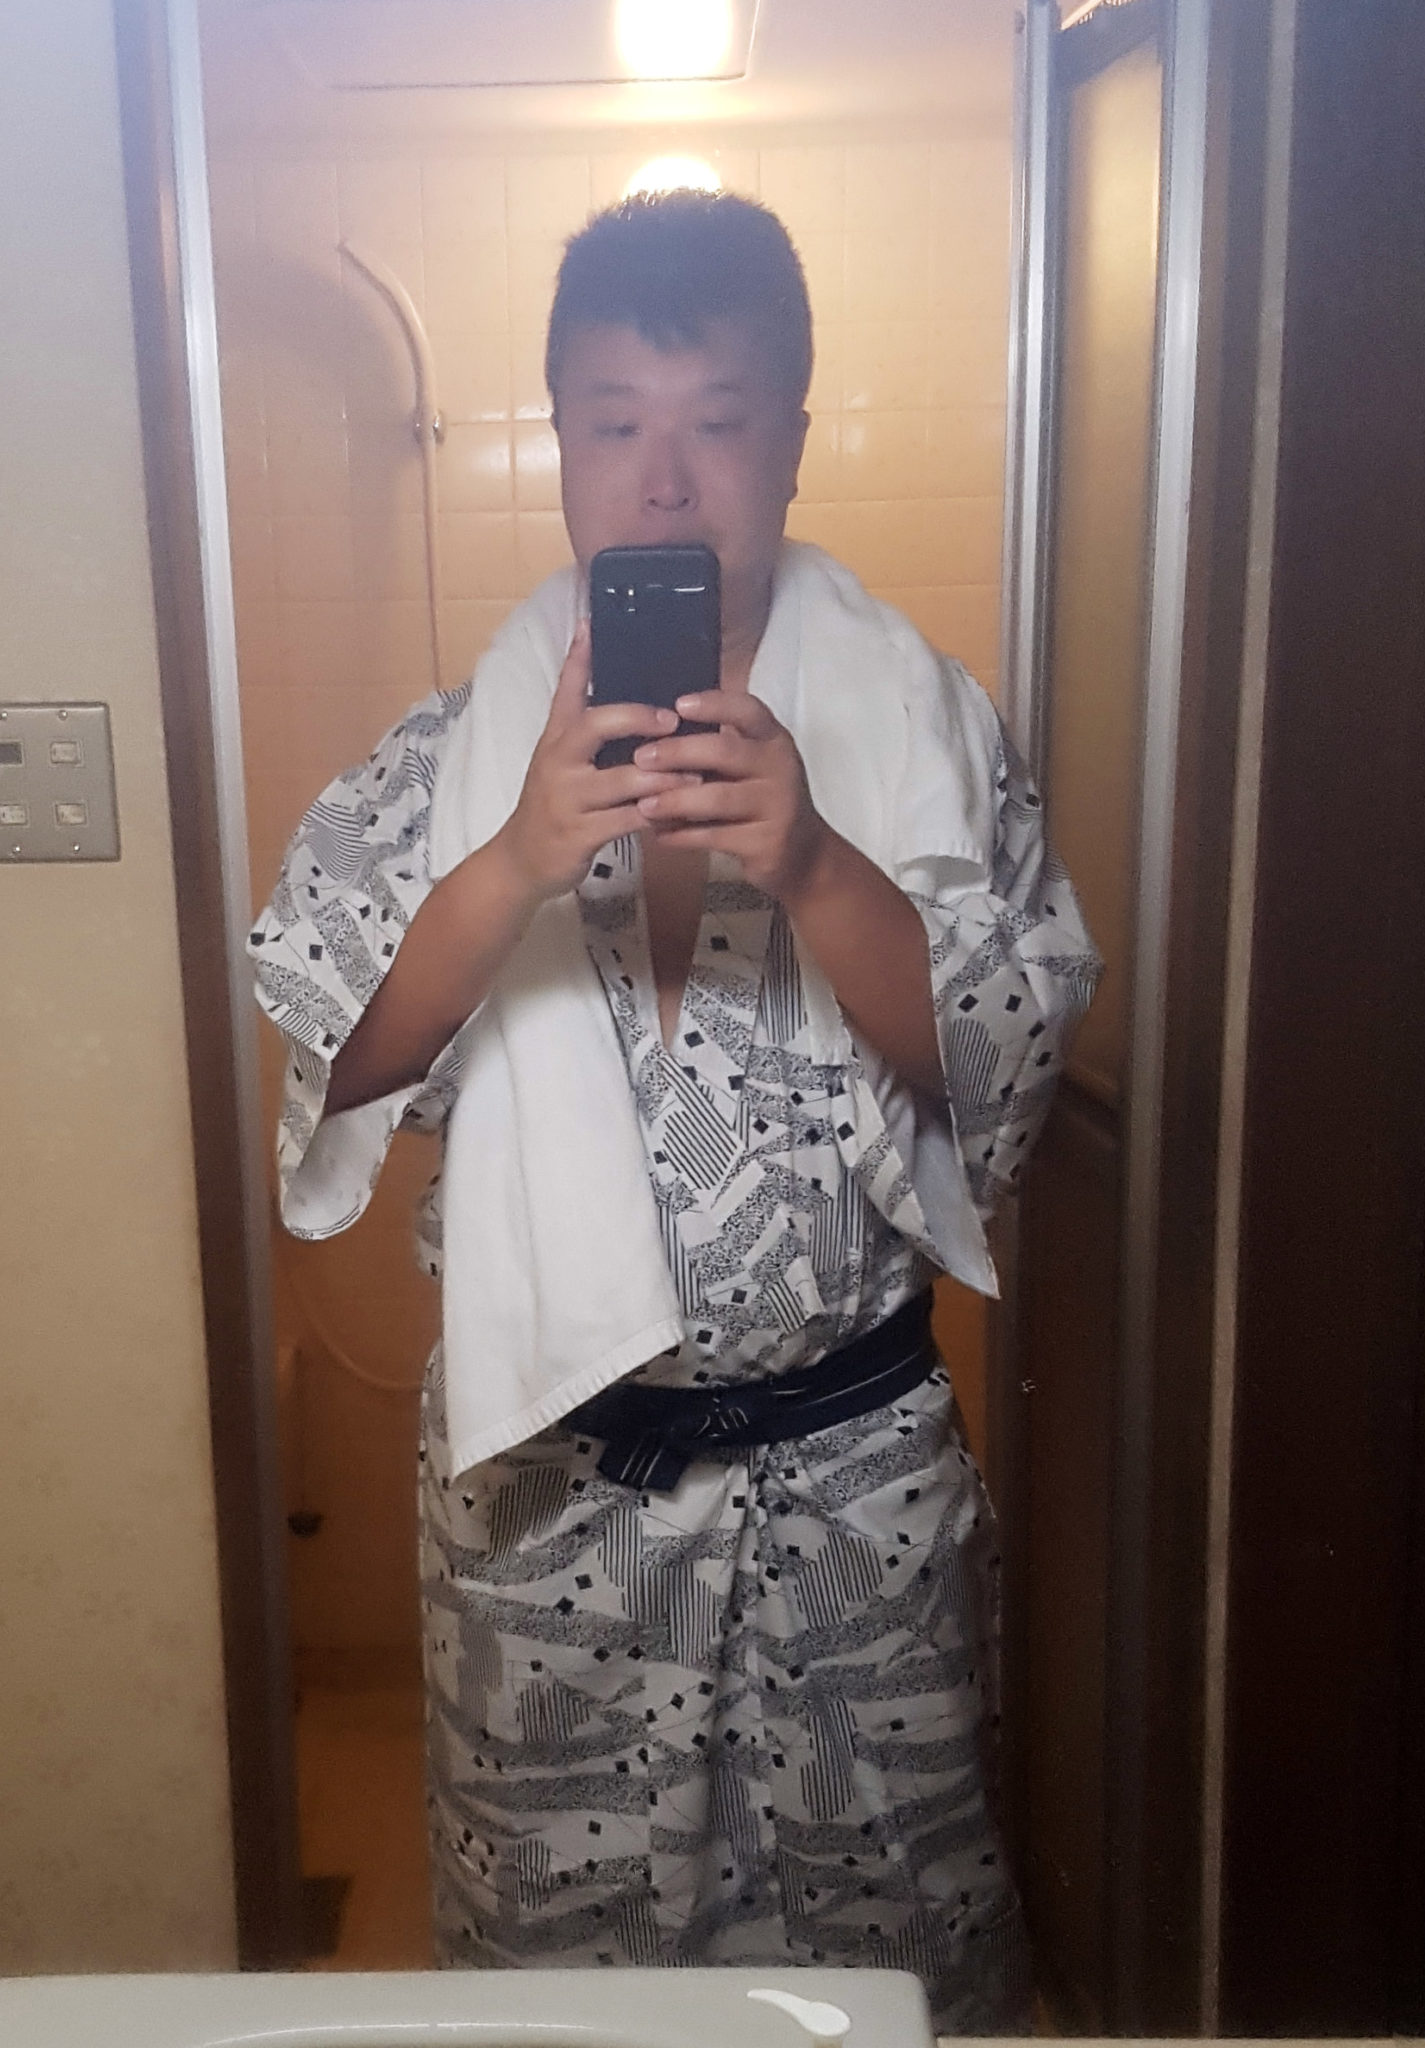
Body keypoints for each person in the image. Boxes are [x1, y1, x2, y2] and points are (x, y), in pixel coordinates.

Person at [249, 192, 1097, 2028]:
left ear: (789, 438)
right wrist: (507, 864)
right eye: (611, 421)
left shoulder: (924, 736)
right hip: (549, 1517)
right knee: (563, 1997)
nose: (661, 478)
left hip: (854, 1506)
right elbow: (344, 1063)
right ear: (559, 442)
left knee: (885, 1976)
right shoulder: (448, 756)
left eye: (715, 419)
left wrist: (815, 861)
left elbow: (1002, 1068)